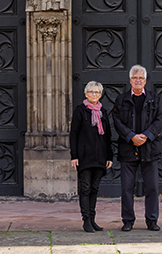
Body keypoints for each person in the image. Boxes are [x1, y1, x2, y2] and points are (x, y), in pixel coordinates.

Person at [112, 65, 162, 232]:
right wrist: (131, 136)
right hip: (128, 149)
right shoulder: (121, 99)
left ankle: (152, 221)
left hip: (150, 149)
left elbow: (160, 120)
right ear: (130, 80)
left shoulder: (155, 98)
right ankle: (127, 221)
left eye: (141, 78)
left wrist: (147, 135)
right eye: (135, 78)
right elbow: (117, 121)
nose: (138, 80)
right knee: (127, 188)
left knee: (152, 188)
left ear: (145, 80)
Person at [69, 80, 113, 233]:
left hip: (100, 157)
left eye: (97, 92)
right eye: (91, 92)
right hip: (84, 156)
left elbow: (108, 135)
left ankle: (93, 219)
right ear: (86, 94)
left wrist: (109, 156)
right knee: (85, 188)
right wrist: (74, 156)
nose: (94, 95)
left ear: (100, 95)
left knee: (94, 189)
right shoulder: (80, 110)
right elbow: (73, 133)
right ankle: (86, 220)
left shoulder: (103, 112)